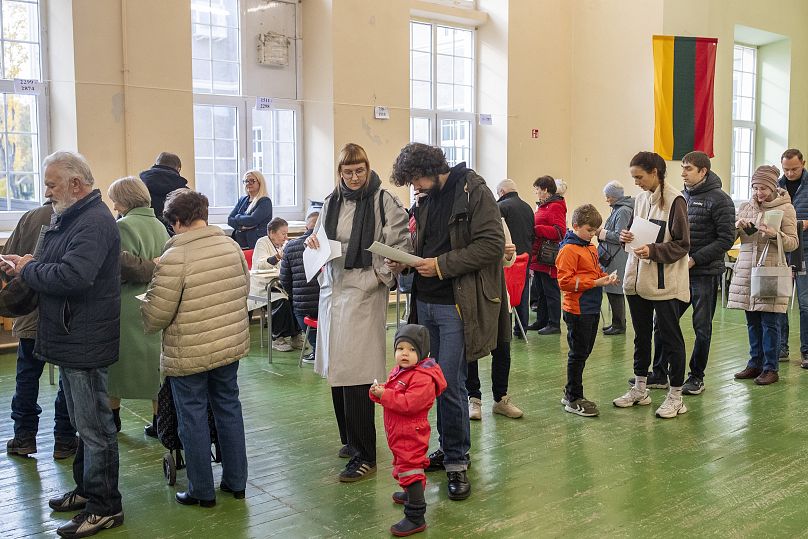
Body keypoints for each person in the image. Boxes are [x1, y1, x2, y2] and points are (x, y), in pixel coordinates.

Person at [1, 151, 124, 537]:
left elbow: (74, 275)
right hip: (72, 335)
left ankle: (105, 507)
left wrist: (28, 269)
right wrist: (28, 262)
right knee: (82, 423)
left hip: (83, 338)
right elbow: (57, 262)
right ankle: (88, 491)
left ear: (75, 184)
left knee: (95, 429)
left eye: (52, 184)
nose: (47, 191)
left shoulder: (93, 221)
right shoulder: (73, 216)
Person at [390, 142, 506, 501]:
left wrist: (439, 265)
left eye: (416, 180)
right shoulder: (426, 198)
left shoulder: (474, 191)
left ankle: (457, 461)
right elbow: (427, 244)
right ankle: (447, 447)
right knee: (430, 381)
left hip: (457, 304)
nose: (415, 187)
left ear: (432, 168)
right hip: (425, 301)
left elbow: (491, 245)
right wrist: (407, 260)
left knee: (452, 384)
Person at [307, 143, 410, 482]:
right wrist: (314, 244)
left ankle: (366, 453)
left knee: (358, 374)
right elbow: (321, 237)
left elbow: (400, 245)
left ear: (368, 168)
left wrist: (382, 271)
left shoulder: (383, 200)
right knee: (338, 370)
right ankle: (350, 441)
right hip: (334, 289)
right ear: (339, 172)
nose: (354, 177)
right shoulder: (330, 201)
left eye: (359, 170)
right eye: (348, 171)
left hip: (364, 291)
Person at [141, 189, 249, 507]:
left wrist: (144, 308)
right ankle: (236, 482)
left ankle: (201, 490)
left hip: (189, 349)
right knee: (229, 408)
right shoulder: (230, 246)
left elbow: (157, 313)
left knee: (192, 416)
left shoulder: (175, 256)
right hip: (228, 344)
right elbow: (243, 288)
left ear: (176, 221)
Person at [613, 151, 691, 419]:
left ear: (655, 172)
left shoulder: (675, 201)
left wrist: (654, 250)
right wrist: (628, 238)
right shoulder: (641, 199)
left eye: (639, 177)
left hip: (664, 284)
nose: (636, 182)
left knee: (671, 339)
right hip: (637, 281)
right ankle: (640, 388)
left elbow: (682, 244)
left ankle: (676, 396)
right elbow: (639, 235)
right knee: (641, 336)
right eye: (633, 177)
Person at [3, 201, 77, 460]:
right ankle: (65, 441)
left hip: (30, 313)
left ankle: (24, 438)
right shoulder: (79, 220)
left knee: (26, 376)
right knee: (66, 381)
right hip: (63, 314)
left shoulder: (29, 217)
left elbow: (9, 262)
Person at [106, 176, 169, 438]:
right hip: (157, 302)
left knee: (117, 370)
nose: (113, 206)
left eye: (115, 200)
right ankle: (158, 422)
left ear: (124, 200)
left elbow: (116, 269)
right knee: (155, 369)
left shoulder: (121, 227)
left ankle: (113, 419)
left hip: (127, 306)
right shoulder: (161, 227)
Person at [369, 324, 447, 537]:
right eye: (400, 348)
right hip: (398, 430)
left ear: (422, 353)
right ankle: (410, 493)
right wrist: (380, 391)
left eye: (412, 349)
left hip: (411, 432)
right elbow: (395, 391)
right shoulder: (401, 370)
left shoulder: (422, 377)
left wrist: (384, 395)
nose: (405, 353)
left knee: (410, 468)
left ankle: (415, 515)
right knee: (403, 464)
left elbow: (409, 403)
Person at [729, 165, 798, 385]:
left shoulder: (785, 209)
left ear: (773, 187)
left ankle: (771, 368)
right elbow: (731, 241)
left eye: (764, 188)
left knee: (770, 322)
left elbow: (792, 242)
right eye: (756, 188)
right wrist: (736, 227)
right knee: (752, 321)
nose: (759, 193)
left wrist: (774, 234)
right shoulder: (746, 207)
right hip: (747, 271)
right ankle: (754, 363)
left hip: (771, 270)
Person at [557, 204, 619, 417]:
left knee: (584, 352)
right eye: (589, 230)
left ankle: (570, 391)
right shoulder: (568, 250)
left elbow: (594, 271)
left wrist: (605, 277)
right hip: (577, 309)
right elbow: (564, 282)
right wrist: (595, 283)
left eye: (595, 231)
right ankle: (574, 397)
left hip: (591, 306)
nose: (593, 235)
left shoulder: (590, 247)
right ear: (576, 226)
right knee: (578, 354)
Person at [466, 223, 524, 420]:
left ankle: (501, 398)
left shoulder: (497, 218)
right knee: (471, 349)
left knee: (502, 349)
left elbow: (508, 259)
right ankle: (473, 398)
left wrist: (508, 255)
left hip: (497, 294)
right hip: (471, 294)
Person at [250, 217, 303, 352]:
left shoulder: (284, 245)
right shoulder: (262, 242)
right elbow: (260, 264)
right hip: (262, 286)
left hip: (279, 285)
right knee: (282, 302)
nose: (286, 237)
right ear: (272, 233)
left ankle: (296, 336)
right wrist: (278, 257)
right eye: (283, 234)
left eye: (287, 234)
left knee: (296, 299)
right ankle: (277, 338)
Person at [777, 149, 808, 366]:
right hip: (782, 250)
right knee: (780, 301)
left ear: (803, 164)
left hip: (805, 251)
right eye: (786, 169)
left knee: (805, 303)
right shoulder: (777, 187)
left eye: (794, 169)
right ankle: (781, 348)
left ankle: (806, 351)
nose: (789, 173)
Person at [280, 211, 321, 363]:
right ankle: (323, 351)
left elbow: (284, 279)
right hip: (329, 302)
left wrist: (295, 295)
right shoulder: (331, 244)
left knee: (301, 314)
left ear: (306, 227)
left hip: (303, 306)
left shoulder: (290, 246)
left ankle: (318, 350)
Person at [527, 175, 566, 335]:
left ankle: (554, 323)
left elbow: (559, 232)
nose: (536, 193)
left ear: (545, 190)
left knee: (551, 291)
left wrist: (537, 229)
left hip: (547, 255)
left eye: (537, 190)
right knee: (541, 290)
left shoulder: (556, 206)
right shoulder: (544, 206)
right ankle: (541, 320)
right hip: (538, 255)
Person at [495, 179, 535, 337]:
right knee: (522, 292)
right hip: (525, 257)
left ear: (502, 192)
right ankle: (521, 328)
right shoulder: (528, 207)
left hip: (508, 257)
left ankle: (505, 331)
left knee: (506, 294)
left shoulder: (501, 207)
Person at [597, 181, 633, 335]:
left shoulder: (623, 211)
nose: (607, 199)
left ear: (615, 196)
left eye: (608, 196)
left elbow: (620, 236)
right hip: (613, 255)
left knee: (615, 290)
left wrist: (601, 233)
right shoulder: (618, 209)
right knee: (612, 290)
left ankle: (619, 325)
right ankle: (616, 323)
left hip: (617, 256)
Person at [139, 152, 187, 235]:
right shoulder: (187, 194)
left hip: (144, 238)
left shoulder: (138, 189)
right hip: (177, 241)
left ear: (155, 165)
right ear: (178, 169)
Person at [228, 169, 273, 249]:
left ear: (260, 182)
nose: (248, 183)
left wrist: (237, 217)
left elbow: (252, 220)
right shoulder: (243, 199)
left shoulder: (265, 201)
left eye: (252, 181)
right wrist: (241, 227)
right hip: (239, 244)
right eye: (246, 181)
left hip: (255, 244)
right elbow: (229, 219)